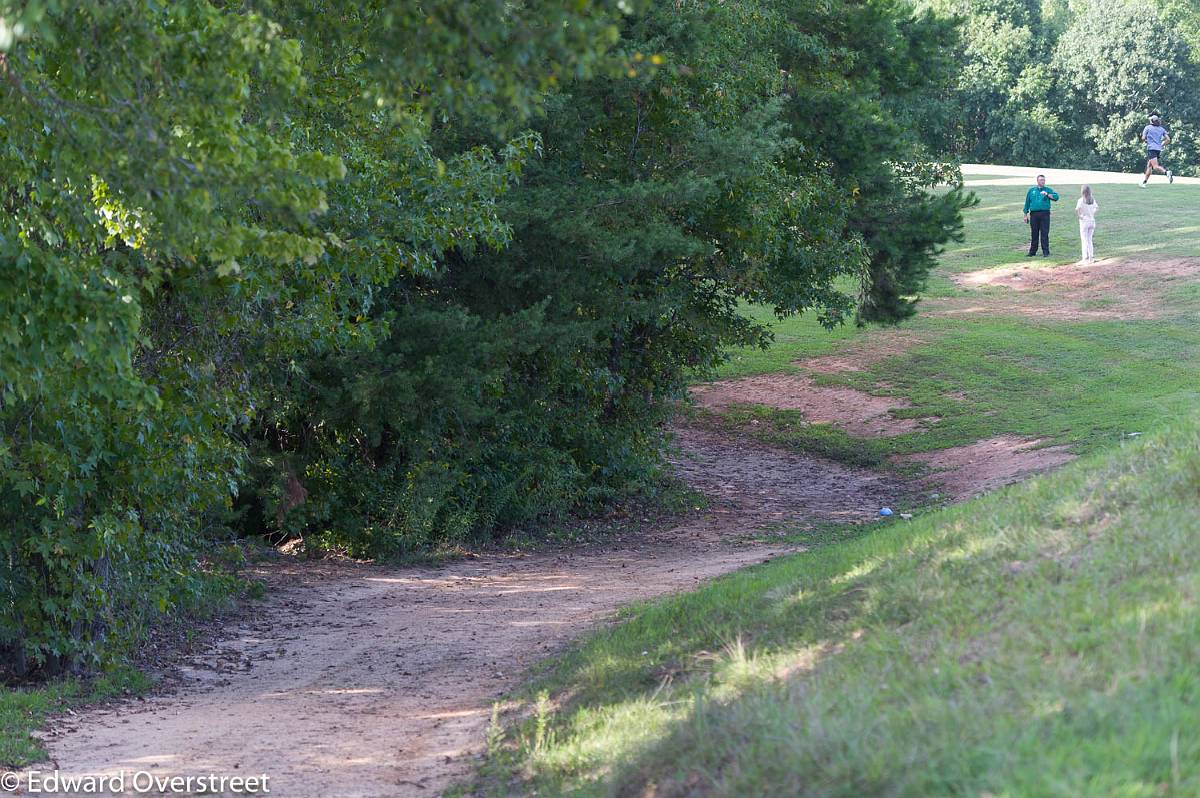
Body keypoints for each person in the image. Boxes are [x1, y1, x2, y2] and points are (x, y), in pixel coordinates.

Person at [1023, 174, 1059, 257]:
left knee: (1044, 233)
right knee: (1034, 233)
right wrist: (1025, 214)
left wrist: (1047, 195)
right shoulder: (1031, 191)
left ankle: (1046, 252)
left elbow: (1056, 197)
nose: (1043, 181)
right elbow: (1027, 203)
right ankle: (1032, 252)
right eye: (1041, 180)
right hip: (1034, 214)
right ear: (1037, 181)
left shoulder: (1048, 190)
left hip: (1045, 214)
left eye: (1044, 180)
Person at [1140, 114, 1173, 186]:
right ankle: (1144, 182)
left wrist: (1146, 141)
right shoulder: (1161, 129)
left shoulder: (1147, 127)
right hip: (1158, 149)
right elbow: (1168, 139)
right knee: (1149, 165)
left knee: (1155, 166)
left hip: (1151, 149)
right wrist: (1162, 145)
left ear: (1151, 121)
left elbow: (1143, 138)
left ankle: (1166, 172)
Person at [1075, 185, 1098, 263]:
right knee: (1089, 239)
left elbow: (1077, 209)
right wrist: (1092, 213)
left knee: (1084, 240)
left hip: (1084, 222)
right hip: (1092, 221)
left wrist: (1080, 216)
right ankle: (1091, 257)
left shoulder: (1081, 200)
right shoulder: (1092, 200)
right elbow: (1097, 208)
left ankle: (1084, 258)